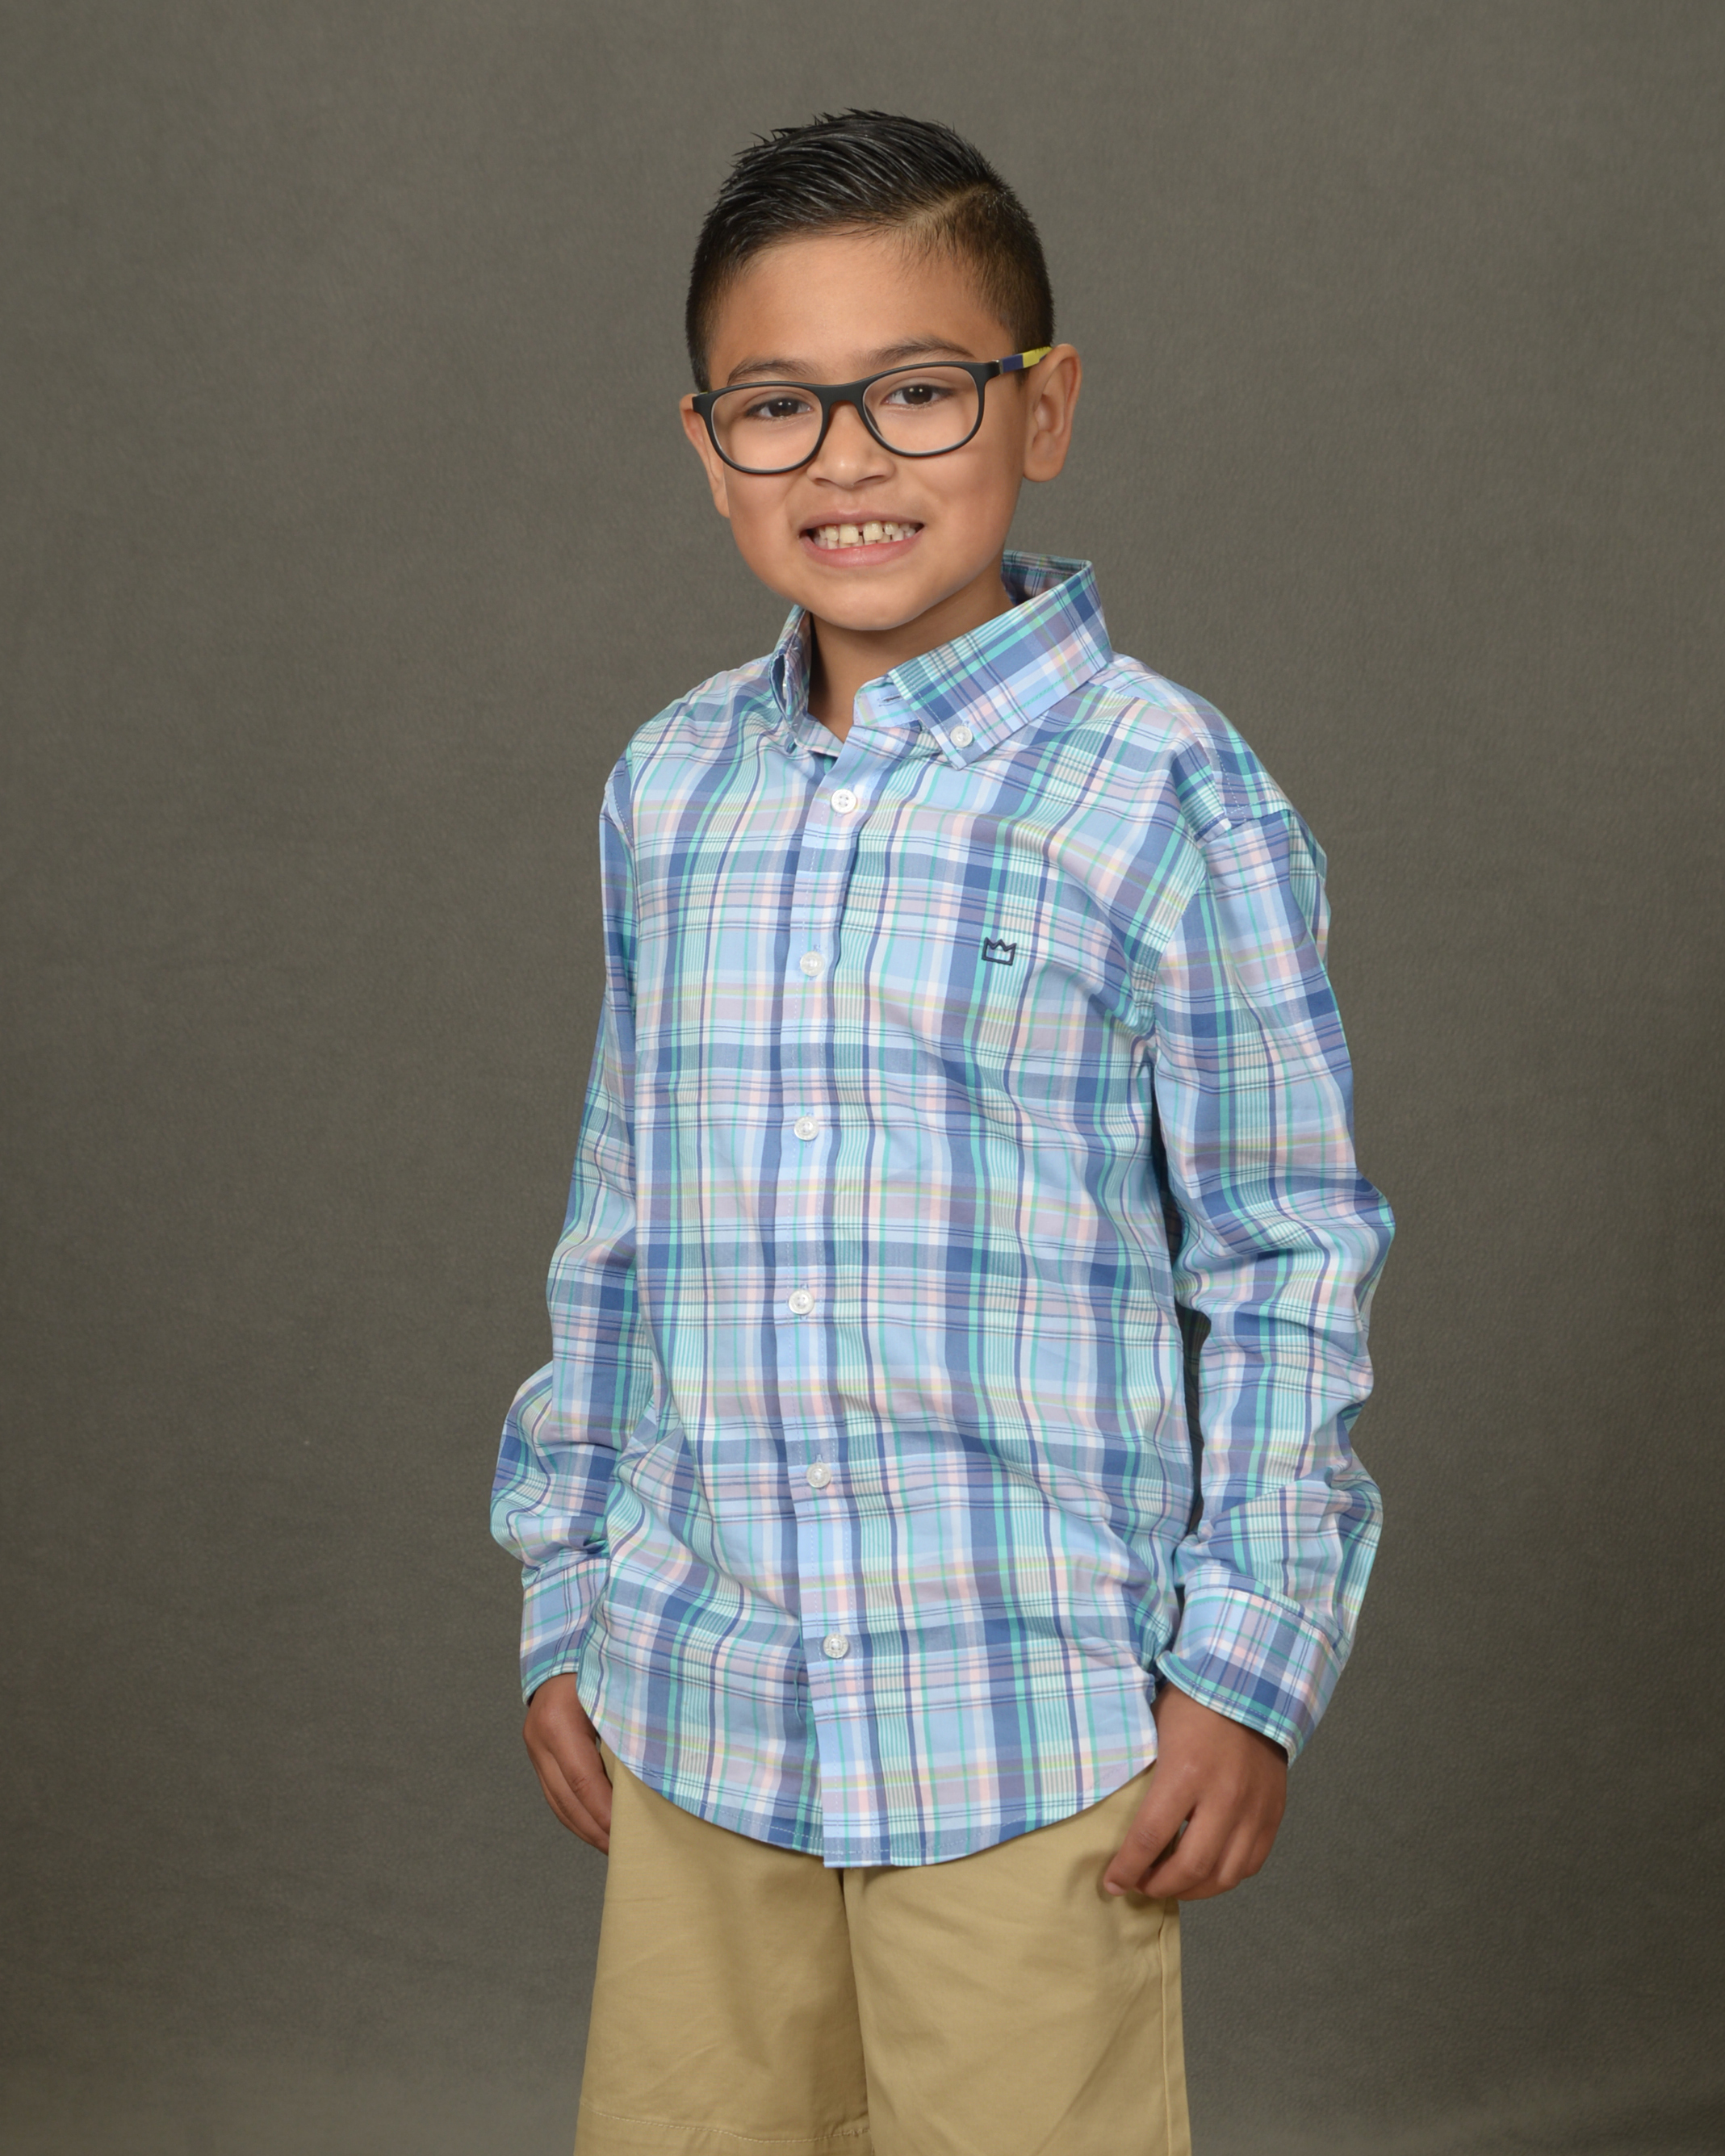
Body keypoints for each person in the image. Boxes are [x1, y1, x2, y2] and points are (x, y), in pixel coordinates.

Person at [492, 110, 1394, 2156]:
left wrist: (1246, 1662)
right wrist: (569, 1585)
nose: (846, 460)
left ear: (1040, 405)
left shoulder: (1166, 791)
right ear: (707, 446)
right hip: (701, 1698)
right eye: (777, 407)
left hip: (1023, 1722)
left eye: (915, 391)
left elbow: (1285, 1249)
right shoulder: (670, 789)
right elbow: (621, 1216)